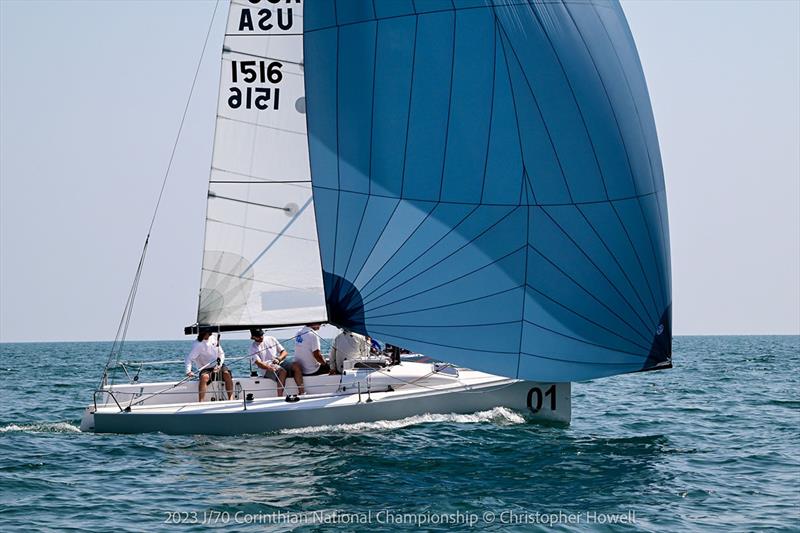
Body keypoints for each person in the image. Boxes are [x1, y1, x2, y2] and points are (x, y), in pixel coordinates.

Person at [249, 328, 304, 396]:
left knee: (296, 365)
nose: (261, 337)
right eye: (258, 336)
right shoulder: (253, 347)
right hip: (266, 368)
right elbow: (259, 363)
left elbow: (284, 352)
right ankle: (280, 397)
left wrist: (279, 359)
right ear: (253, 337)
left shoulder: (271, 339)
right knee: (282, 371)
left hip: (278, 362)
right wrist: (268, 367)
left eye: (261, 335)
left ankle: (302, 393)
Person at [185, 331, 233, 402]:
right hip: (206, 368)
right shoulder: (197, 344)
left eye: (209, 333)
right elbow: (189, 358)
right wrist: (188, 371)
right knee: (204, 377)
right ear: (202, 333)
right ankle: (201, 402)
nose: (209, 335)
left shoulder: (213, 338)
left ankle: (231, 400)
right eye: (207, 333)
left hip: (218, 365)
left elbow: (221, 354)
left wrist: (219, 365)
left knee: (227, 374)